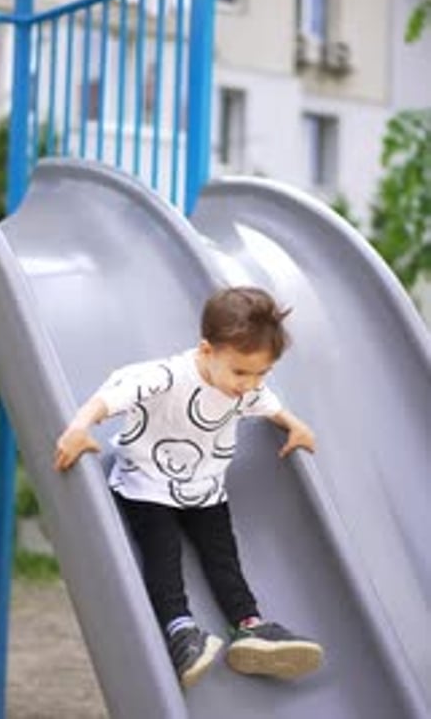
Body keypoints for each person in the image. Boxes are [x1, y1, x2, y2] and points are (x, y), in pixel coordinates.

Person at [54, 286, 323, 689]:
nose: (250, 384)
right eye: (241, 372)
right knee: (163, 555)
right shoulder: (167, 376)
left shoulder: (243, 385)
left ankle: (249, 626)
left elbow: (268, 405)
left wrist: (295, 425)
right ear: (206, 351)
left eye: (262, 373)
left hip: (205, 490)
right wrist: (78, 428)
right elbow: (112, 395)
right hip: (146, 485)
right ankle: (180, 632)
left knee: (223, 557)